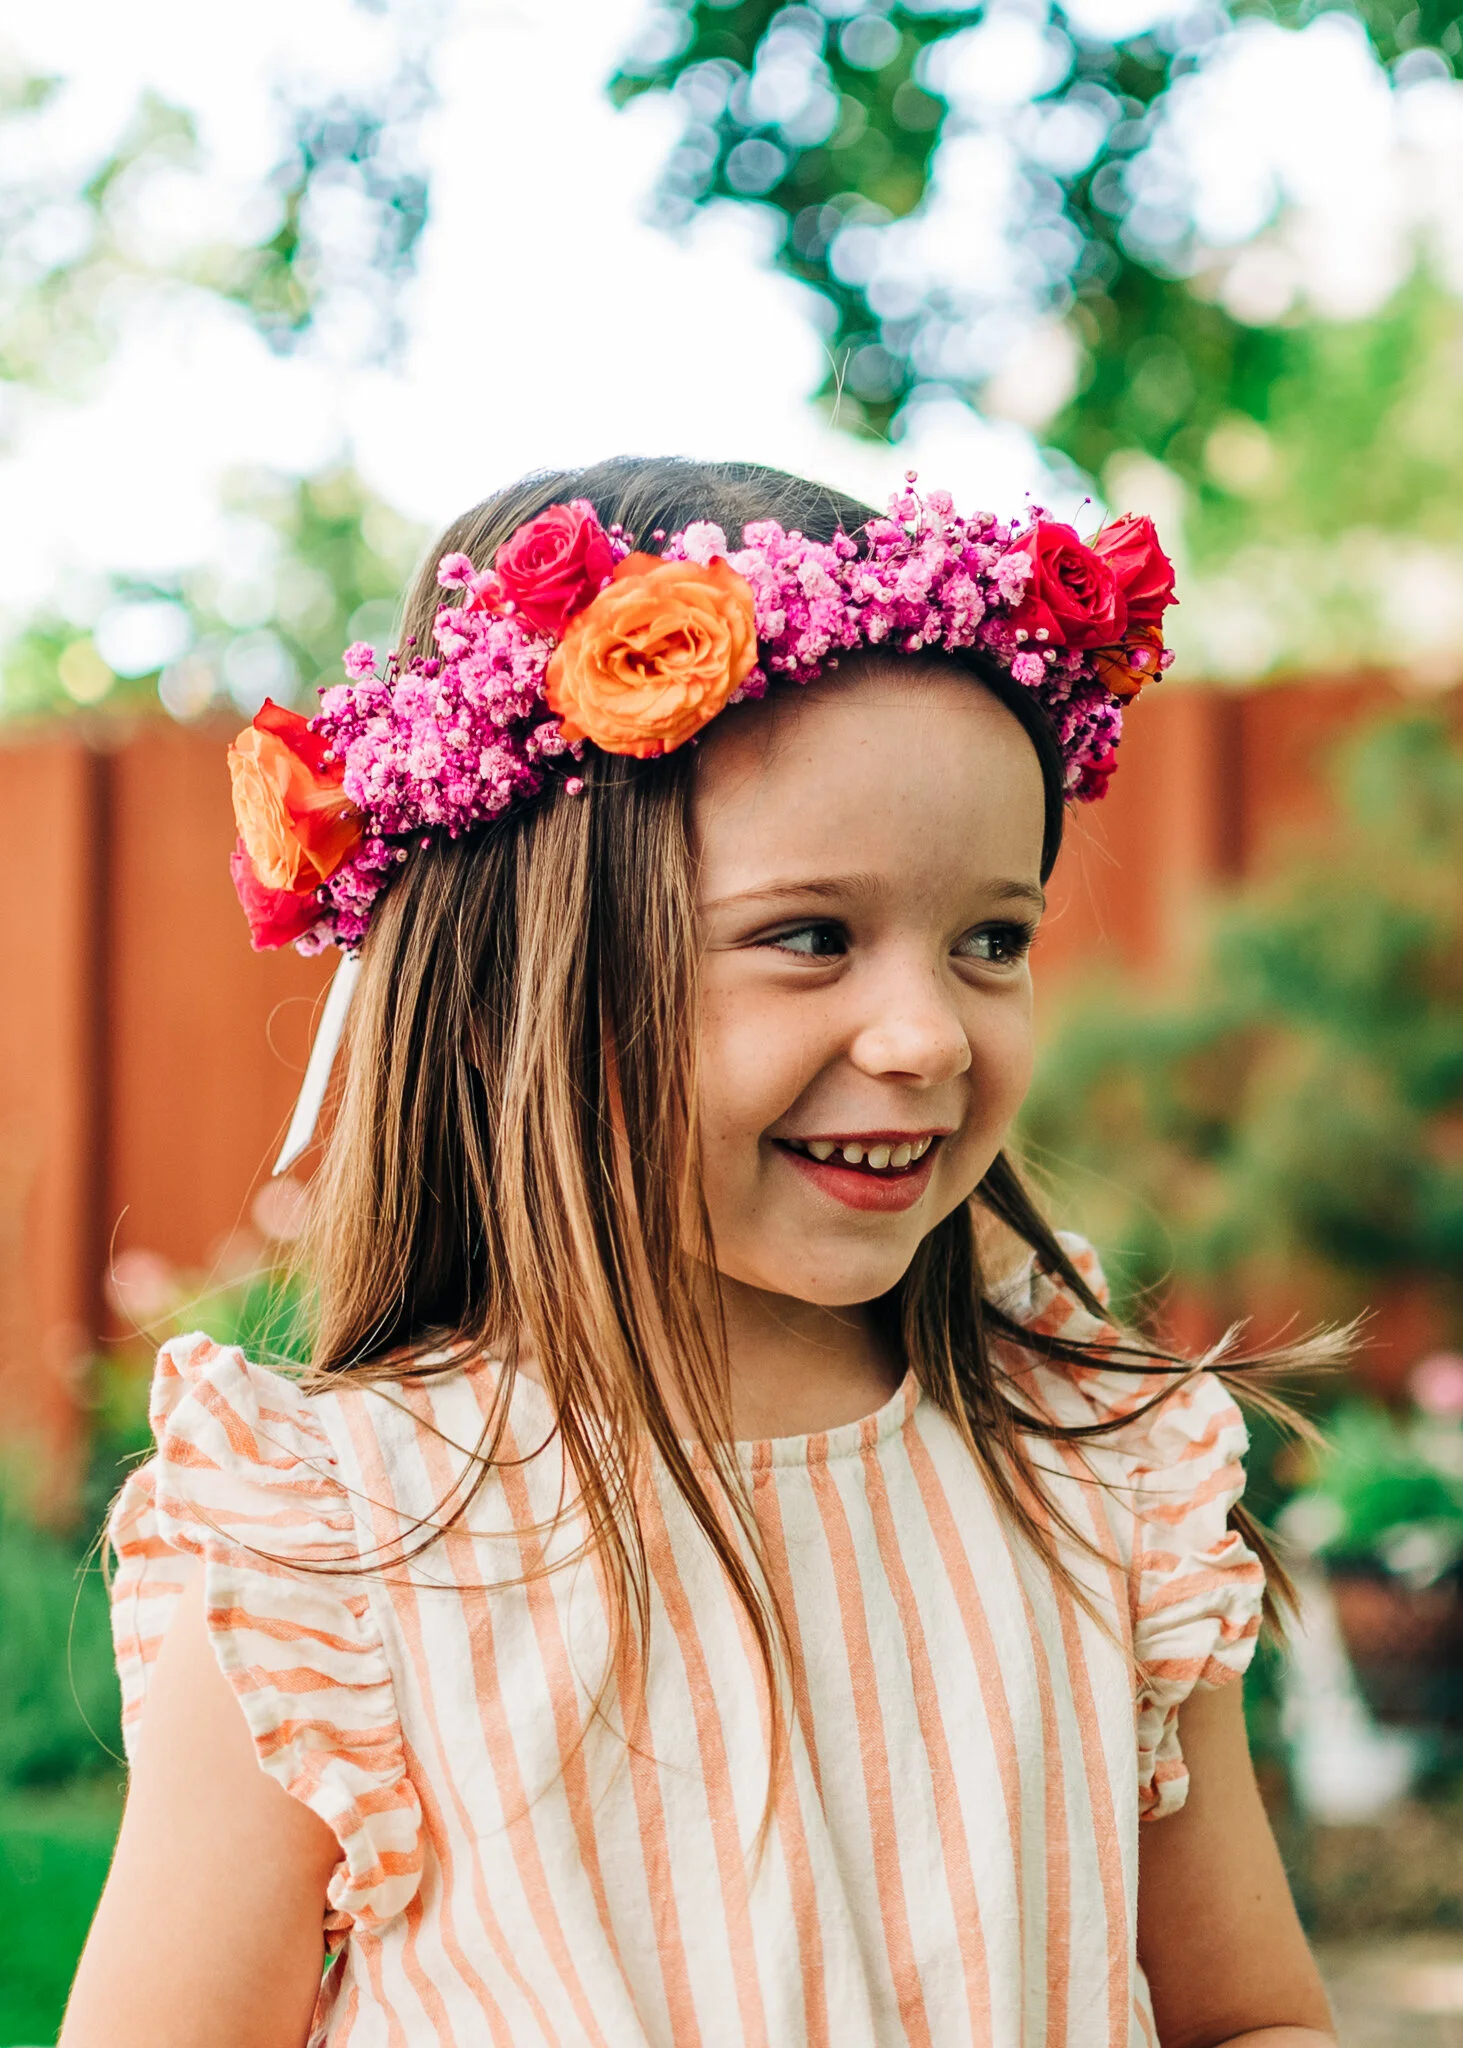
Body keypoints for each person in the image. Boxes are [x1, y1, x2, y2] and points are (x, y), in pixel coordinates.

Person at [63, 458, 1339, 2048]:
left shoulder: (1087, 1467)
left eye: (989, 940)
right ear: (512, 981)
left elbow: (1246, 2016)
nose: (925, 1033)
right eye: (810, 937)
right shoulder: (336, 1536)